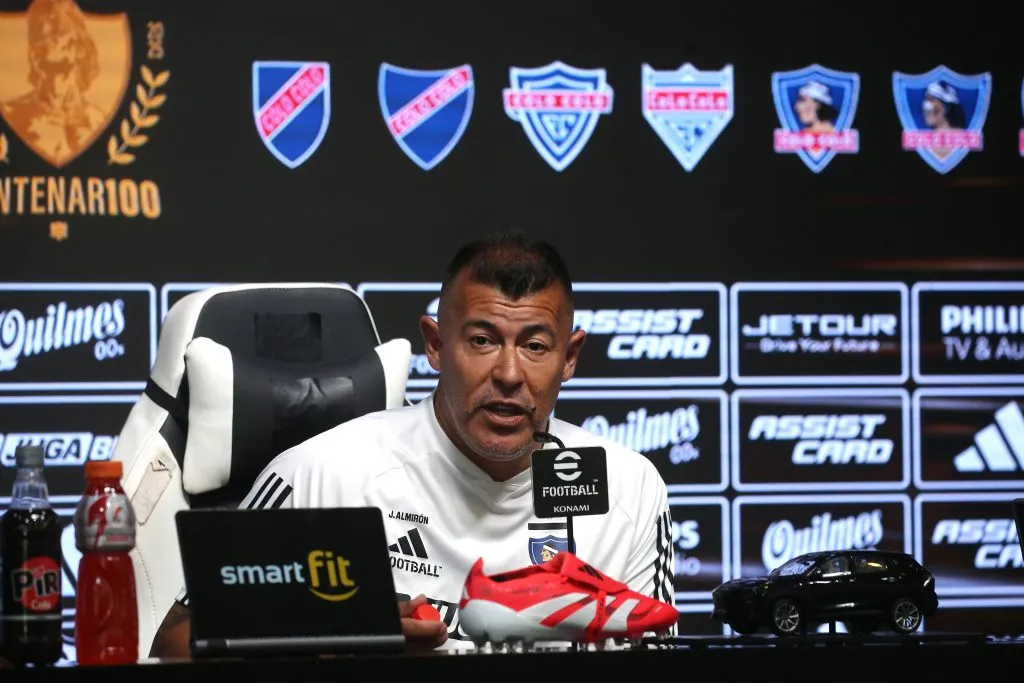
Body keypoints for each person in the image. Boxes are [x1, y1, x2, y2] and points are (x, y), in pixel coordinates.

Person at [149, 231, 675, 657]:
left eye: (535, 346)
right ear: (435, 345)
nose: (510, 373)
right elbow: (172, 645)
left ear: (570, 357)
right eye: (482, 340)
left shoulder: (629, 488)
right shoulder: (318, 476)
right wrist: (341, 647)